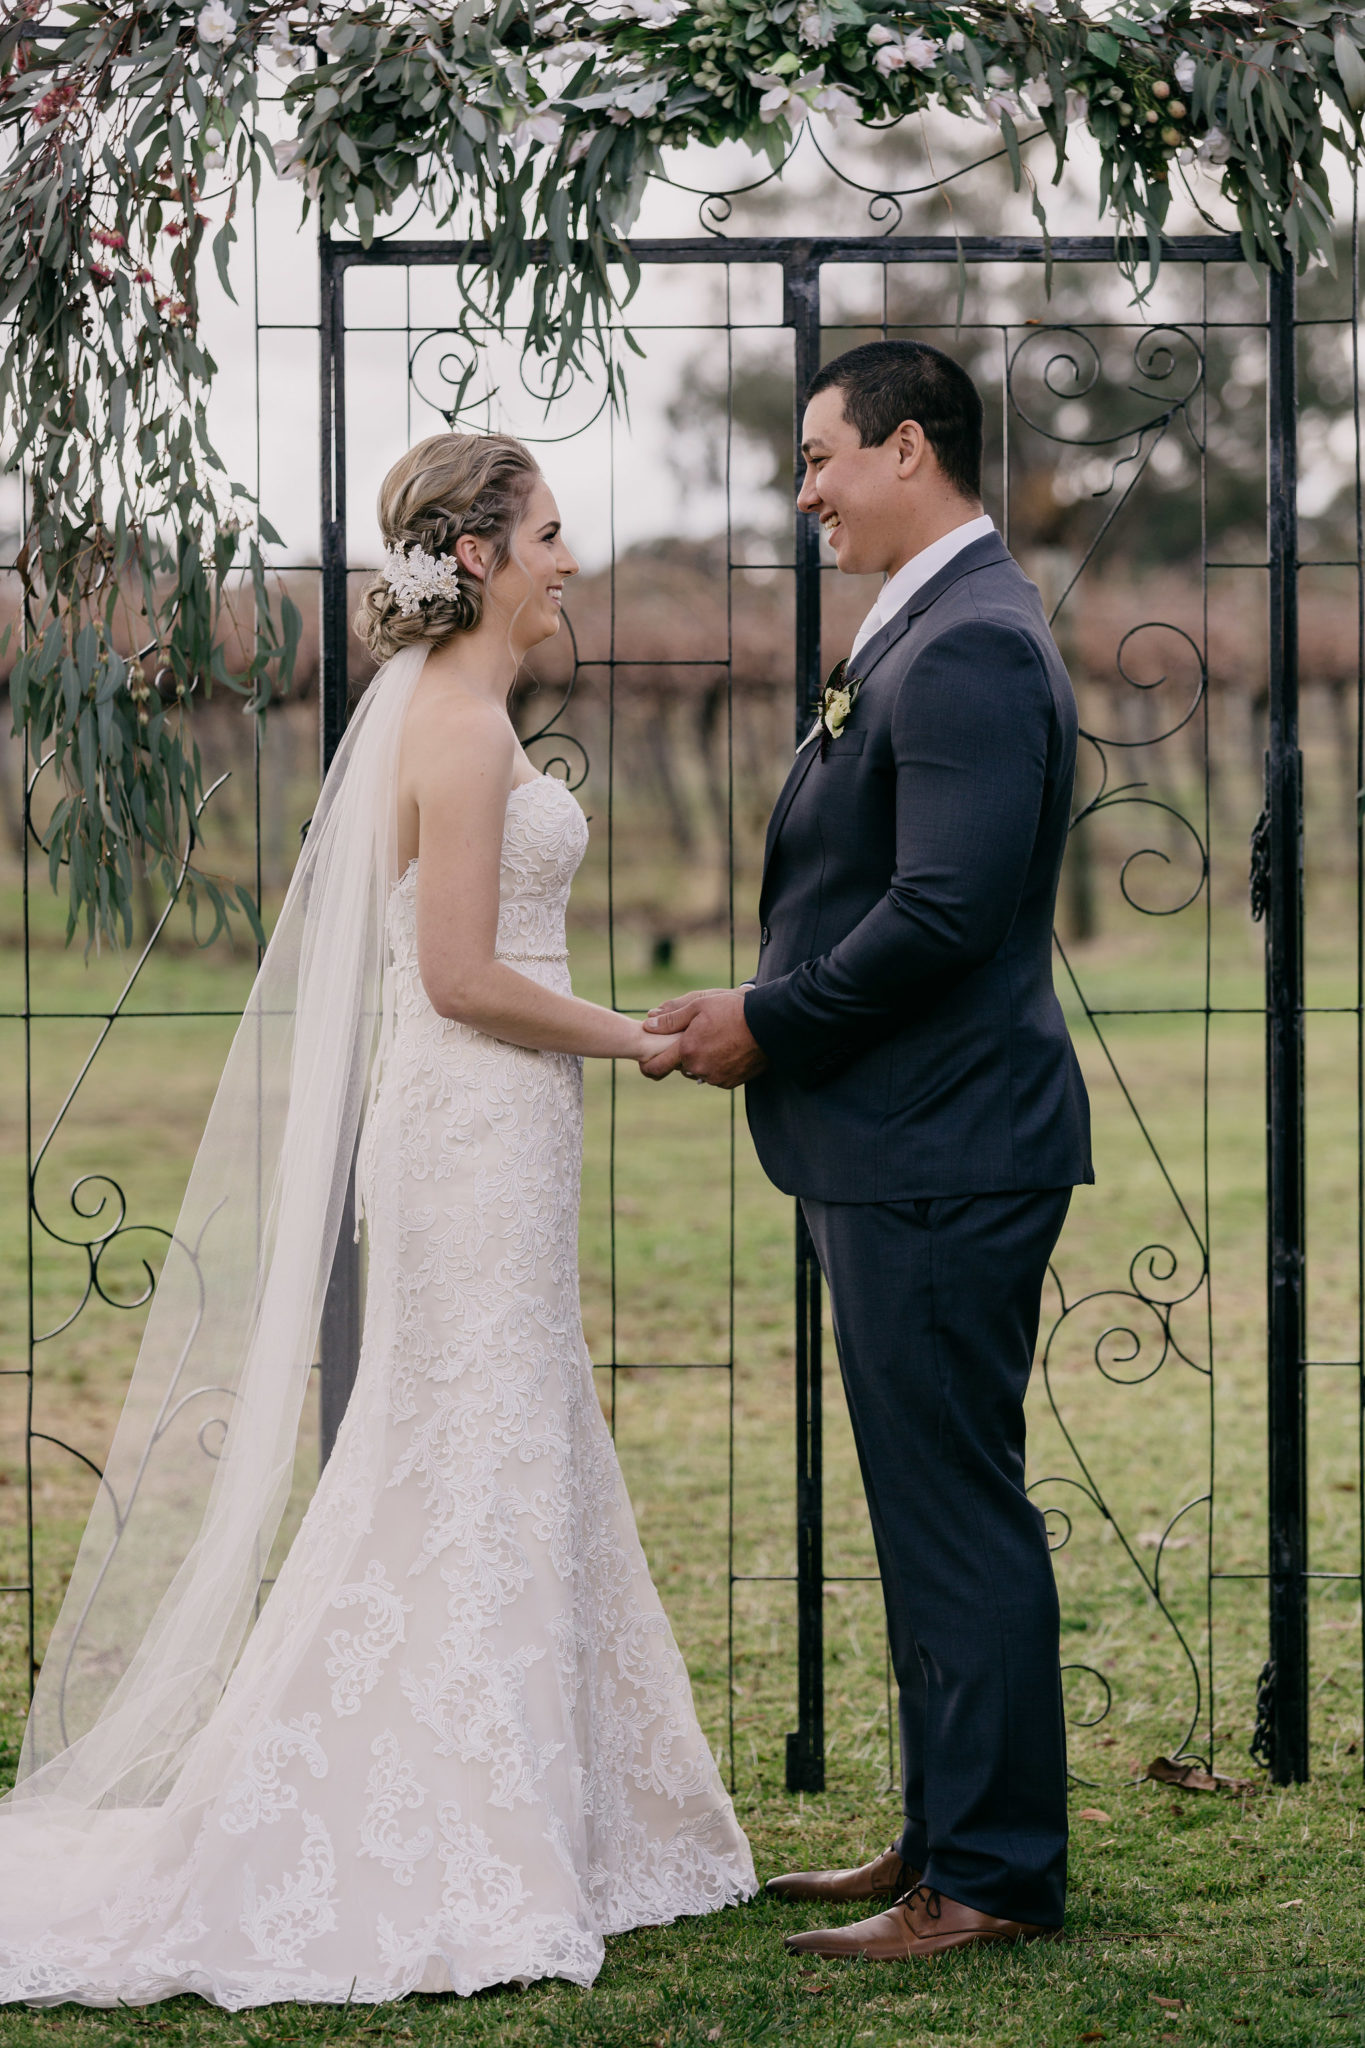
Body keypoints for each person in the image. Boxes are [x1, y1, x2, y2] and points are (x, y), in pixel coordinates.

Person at [0, 432, 753, 2009]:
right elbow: (465, 976)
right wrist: (640, 1038)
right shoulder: (463, 730)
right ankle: (435, 1816)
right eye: (548, 532)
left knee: (492, 1433)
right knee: (458, 1441)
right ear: (476, 554)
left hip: (488, 1127)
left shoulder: (449, 709)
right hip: (475, 1125)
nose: (568, 560)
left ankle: (535, 1799)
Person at [642, 340, 1092, 1960]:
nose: (806, 489)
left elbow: (945, 910)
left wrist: (772, 1016)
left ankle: (986, 1879)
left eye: (823, 458)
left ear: (908, 448)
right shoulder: (934, 618)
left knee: (954, 1509)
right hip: (904, 1142)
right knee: (927, 1507)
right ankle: (940, 1837)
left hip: (939, 1145)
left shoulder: (968, 639)